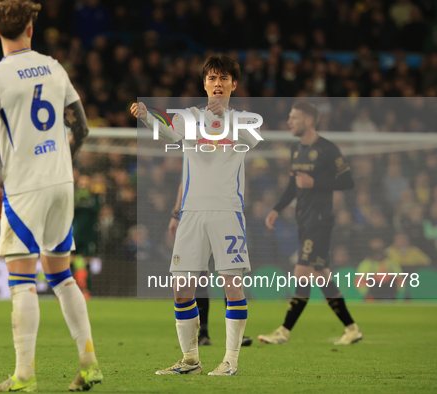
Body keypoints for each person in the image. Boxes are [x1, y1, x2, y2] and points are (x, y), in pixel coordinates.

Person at [0, 1, 102, 391]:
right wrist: (61, 161)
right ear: (31, 27)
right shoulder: (53, 66)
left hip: (24, 188)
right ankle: (90, 363)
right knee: (62, 275)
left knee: (21, 280)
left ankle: (24, 376)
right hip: (61, 183)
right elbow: (80, 128)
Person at [131, 54, 261, 376]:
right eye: (212, 79)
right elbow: (168, 135)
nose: (218, 84)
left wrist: (224, 120)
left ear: (234, 84)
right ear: (204, 84)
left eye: (223, 79)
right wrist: (148, 118)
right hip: (191, 213)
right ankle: (190, 360)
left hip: (227, 211)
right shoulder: (189, 117)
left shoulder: (244, 119)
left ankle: (230, 360)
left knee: (232, 285)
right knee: (182, 287)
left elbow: (252, 141)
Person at [258, 102, 362, 346]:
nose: (289, 122)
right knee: (321, 275)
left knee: (302, 271)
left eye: (294, 118)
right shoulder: (296, 149)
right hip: (303, 220)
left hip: (320, 220)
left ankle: (284, 330)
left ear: (309, 121)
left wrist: (315, 183)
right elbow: (295, 185)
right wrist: (276, 209)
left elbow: (347, 181)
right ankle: (352, 328)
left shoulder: (327, 149)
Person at [168, 183, 253, 348]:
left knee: (229, 277)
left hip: (223, 215)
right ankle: (203, 334)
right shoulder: (194, 159)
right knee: (197, 278)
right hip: (196, 217)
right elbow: (185, 179)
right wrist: (176, 212)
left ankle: (236, 336)